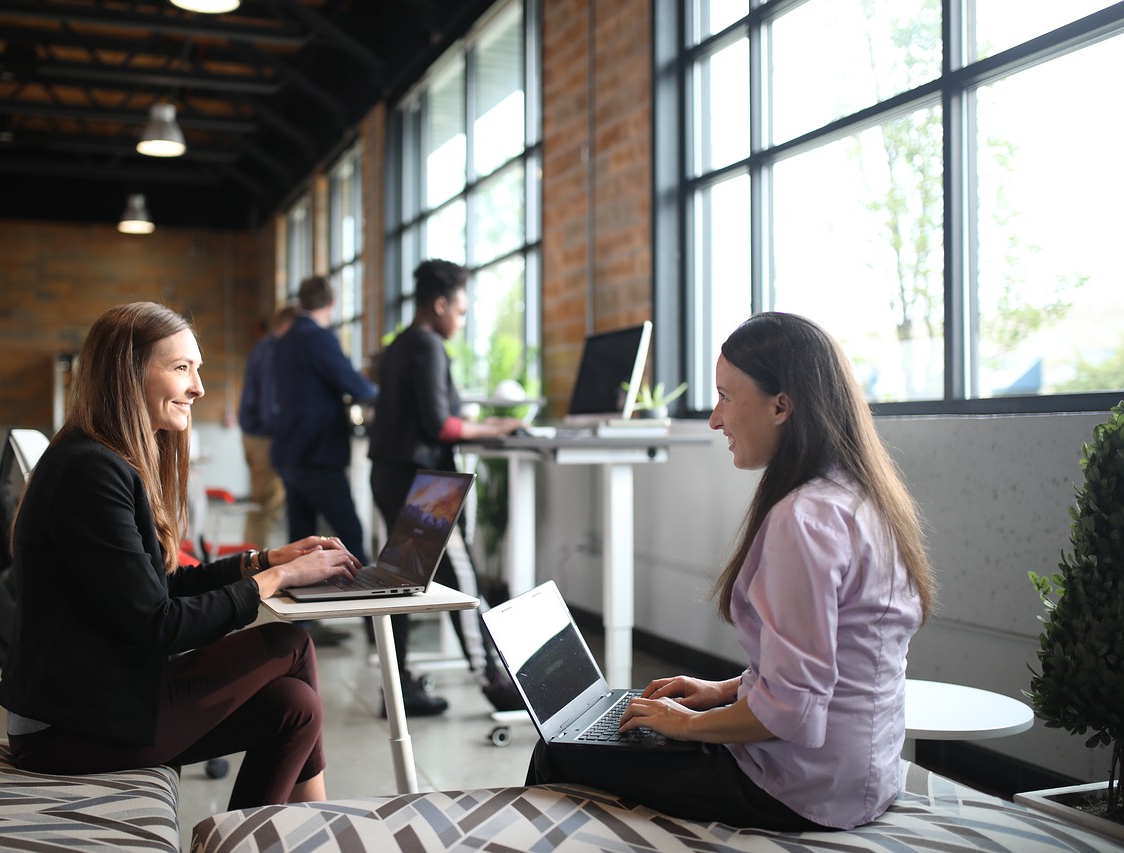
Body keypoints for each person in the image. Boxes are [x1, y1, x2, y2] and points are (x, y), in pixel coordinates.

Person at [525, 312, 937, 831]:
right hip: (861, 774)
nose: (716, 420)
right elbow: (820, 666)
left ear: (781, 406)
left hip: (800, 788)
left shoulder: (803, 520)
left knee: (557, 754)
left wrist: (689, 726)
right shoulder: (861, 498)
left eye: (724, 396)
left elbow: (793, 712)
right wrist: (723, 691)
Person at [0, 301, 362, 810]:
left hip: (92, 701)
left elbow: (159, 586)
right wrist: (276, 581)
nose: (198, 388)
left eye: (198, 368)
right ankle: (322, 827)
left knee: (294, 707)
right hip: (67, 727)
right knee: (290, 645)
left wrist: (264, 560)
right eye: (181, 368)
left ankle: (263, 841)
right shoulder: (89, 472)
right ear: (129, 375)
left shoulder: (100, 458)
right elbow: (159, 624)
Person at [368, 259, 526, 716]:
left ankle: (396, 689)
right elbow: (440, 424)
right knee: (463, 579)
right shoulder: (429, 345)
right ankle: (494, 682)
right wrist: (495, 426)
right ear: (439, 305)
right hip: (422, 484)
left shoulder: (399, 346)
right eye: (459, 310)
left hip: (392, 473)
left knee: (399, 582)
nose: (461, 319)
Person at [271, 276, 378, 603]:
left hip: (290, 452)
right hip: (318, 453)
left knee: (302, 543)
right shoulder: (319, 338)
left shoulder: (284, 339)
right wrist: (385, 395)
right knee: (350, 536)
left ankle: (299, 623)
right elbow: (356, 386)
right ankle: (374, 619)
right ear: (331, 304)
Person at [237, 305, 298, 549]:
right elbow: (269, 401)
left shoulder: (263, 346)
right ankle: (255, 563)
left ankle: (251, 557)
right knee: (268, 503)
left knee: (262, 502)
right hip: (265, 437)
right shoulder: (273, 349)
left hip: (254, 434)